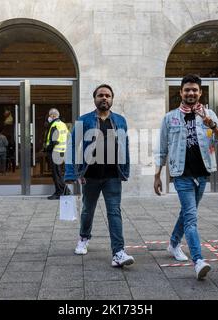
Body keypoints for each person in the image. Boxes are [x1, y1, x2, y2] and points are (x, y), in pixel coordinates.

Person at [154, 74, 218, 280]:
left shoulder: (209, 114)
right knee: (191, 217)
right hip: (181, 174)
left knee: (188, 213)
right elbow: (161, 149)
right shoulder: (170, 118)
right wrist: (157, 175)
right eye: (187, 90)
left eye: (194, 90)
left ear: (200, 92)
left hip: (203, 174)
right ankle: (198, 260)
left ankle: (173, 243)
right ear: (180, 92)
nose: (191, 93)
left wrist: (211, 124)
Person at [65, 84, 134, 268]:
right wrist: (72, 172)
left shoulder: (120, 120)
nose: (104, 98)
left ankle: (118, 252)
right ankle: (84, 237)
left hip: (112, 176)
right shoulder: (84, 120)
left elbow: (125, 146)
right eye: (100, 95)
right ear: (94, 98)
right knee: (88, 210)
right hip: (90, 176)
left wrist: (125, 170)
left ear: (112, 99)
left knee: (114, 212)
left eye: (108, 95)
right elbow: (72, 145)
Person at [45, 108, 69, 200]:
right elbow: (68, 137)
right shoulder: (63, 124)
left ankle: (59, 193)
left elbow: (53, 140)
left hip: (55, 152)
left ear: (53, 116)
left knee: (56, 174)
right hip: (61, 152)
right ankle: (65, 191)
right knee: (59, 173)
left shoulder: (54, 125)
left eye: (50, 115)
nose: (49, 117)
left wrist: (47, 148)